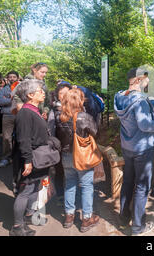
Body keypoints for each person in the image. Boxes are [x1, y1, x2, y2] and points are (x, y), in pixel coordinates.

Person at [114, 67, 154, 236]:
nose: (148, 83)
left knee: (128, 182)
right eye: (146, 79)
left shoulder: (119, 96)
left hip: (127, 147)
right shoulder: (139, 101)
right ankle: (138, 227)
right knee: (141, 187)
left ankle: (123, 220)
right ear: (138, 80)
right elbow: (145, 125)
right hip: (142, 148)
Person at [55, 87, 100, 232]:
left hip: (66, 156)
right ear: (80, 100)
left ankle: (69, 217)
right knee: (87, 187)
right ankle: (86, 219)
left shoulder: (59, 117)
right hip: (82, 157)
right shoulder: (84, 117)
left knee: (69, 185)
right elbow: (95, 132)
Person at [10, 79, 50, 236]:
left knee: (33, 187)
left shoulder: (34, 110)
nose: (44, 93)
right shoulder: (26, 113)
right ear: (30, 95)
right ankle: (17, 227)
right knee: (25, 191)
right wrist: (27, 161)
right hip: (30, 157)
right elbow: (23, 139)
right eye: (40, 91)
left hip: (36, 156)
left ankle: (26, 219)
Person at [0, 71, 20, 168]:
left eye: (14, 77)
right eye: (10, 77)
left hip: (20, 114)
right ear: (7, 78)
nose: (12, 78)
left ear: (17, 78)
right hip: (7, 115)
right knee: (6, 137)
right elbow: (0, 101)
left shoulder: (21, 88)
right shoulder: (4, 89)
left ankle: (20, 157)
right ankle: (6, 157)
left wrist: (11, 98)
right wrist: (11, 99)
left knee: (21, 136)